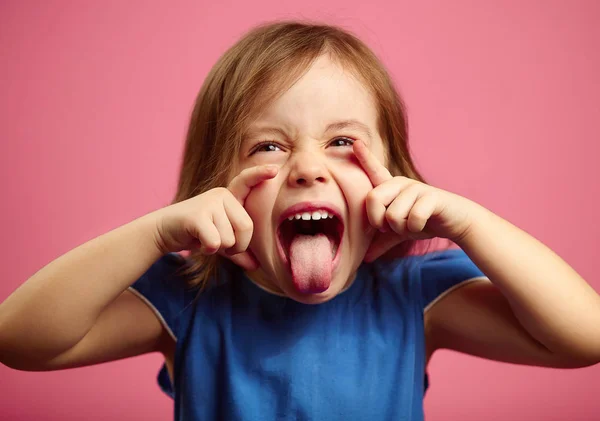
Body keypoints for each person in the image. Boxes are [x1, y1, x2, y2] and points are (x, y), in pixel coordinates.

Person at [1, 20, 598, 421]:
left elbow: (584, 338)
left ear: (392, 180)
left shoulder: (417, 297)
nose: (308, 168)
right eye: (268, 147)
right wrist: (157, 232)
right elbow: (18, 340)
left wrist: (470, 222)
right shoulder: (186, 301)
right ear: (215, 190)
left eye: (342, 142)